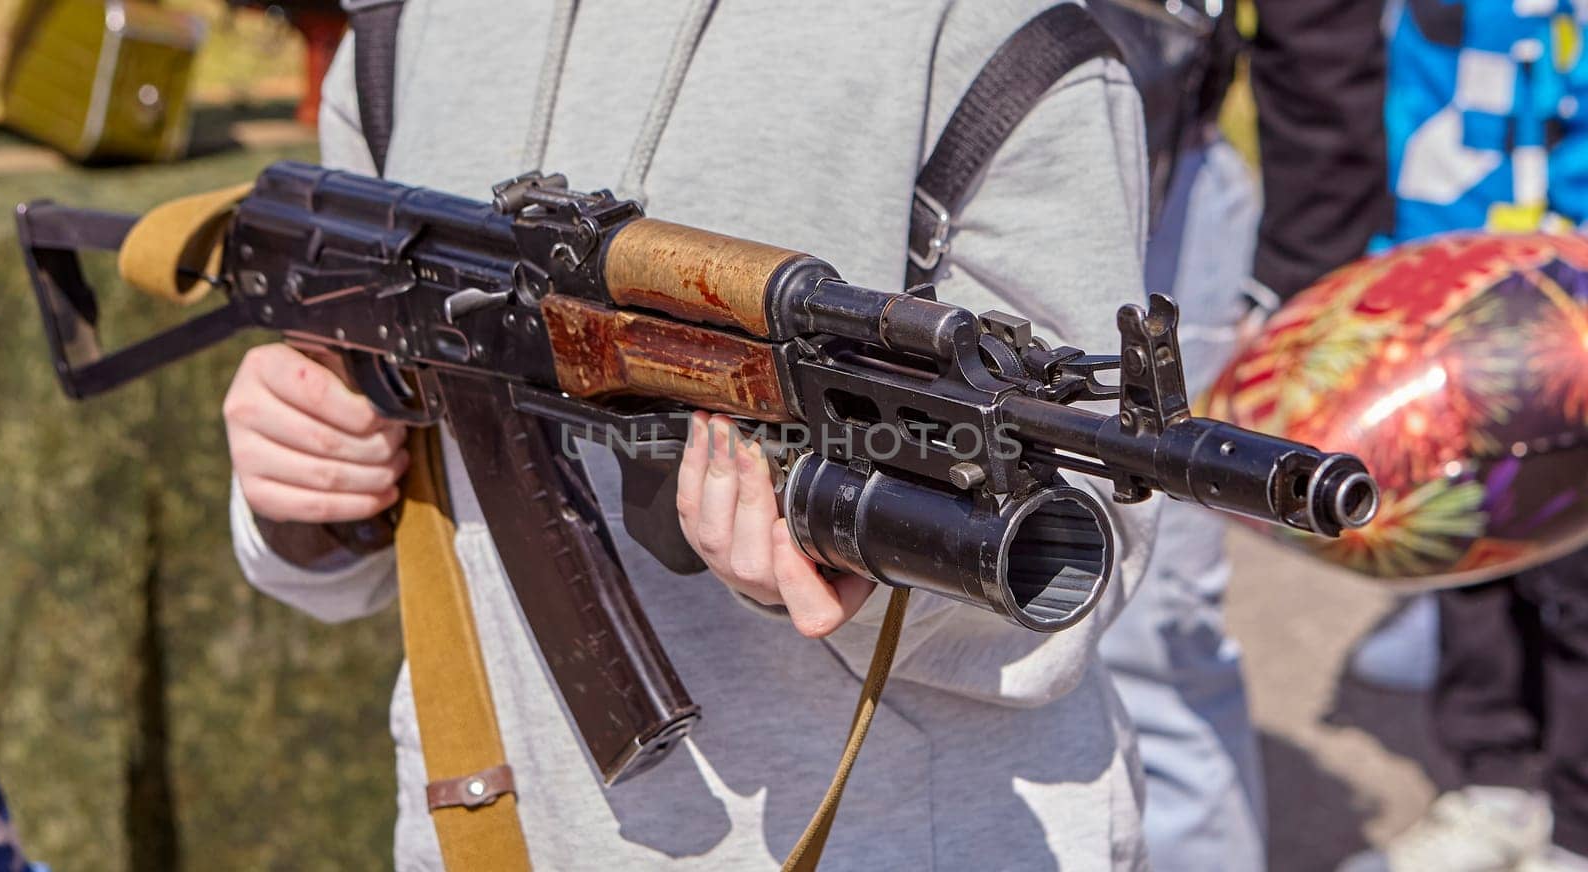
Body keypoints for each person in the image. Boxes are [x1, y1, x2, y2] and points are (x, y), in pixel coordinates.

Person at [221, 1, 1162, 868]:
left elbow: (1082, 556)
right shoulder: (403, 26)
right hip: (488, 832)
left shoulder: (989, 37)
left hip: (892, 838)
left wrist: (853, 553)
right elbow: (379, 546)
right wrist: (304, 480)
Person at [1097, 1, 1390, 869]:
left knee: (1156, 627)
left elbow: (1323, 31)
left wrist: (1295, 274)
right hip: (919, 191)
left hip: (1159, 190)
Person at [1340, 2, 1588, 870]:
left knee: (1576, 576)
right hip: (1442, 284)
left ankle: (1577, 823)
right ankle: (1495, 786)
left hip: (1573, 300)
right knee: (1462, 545)